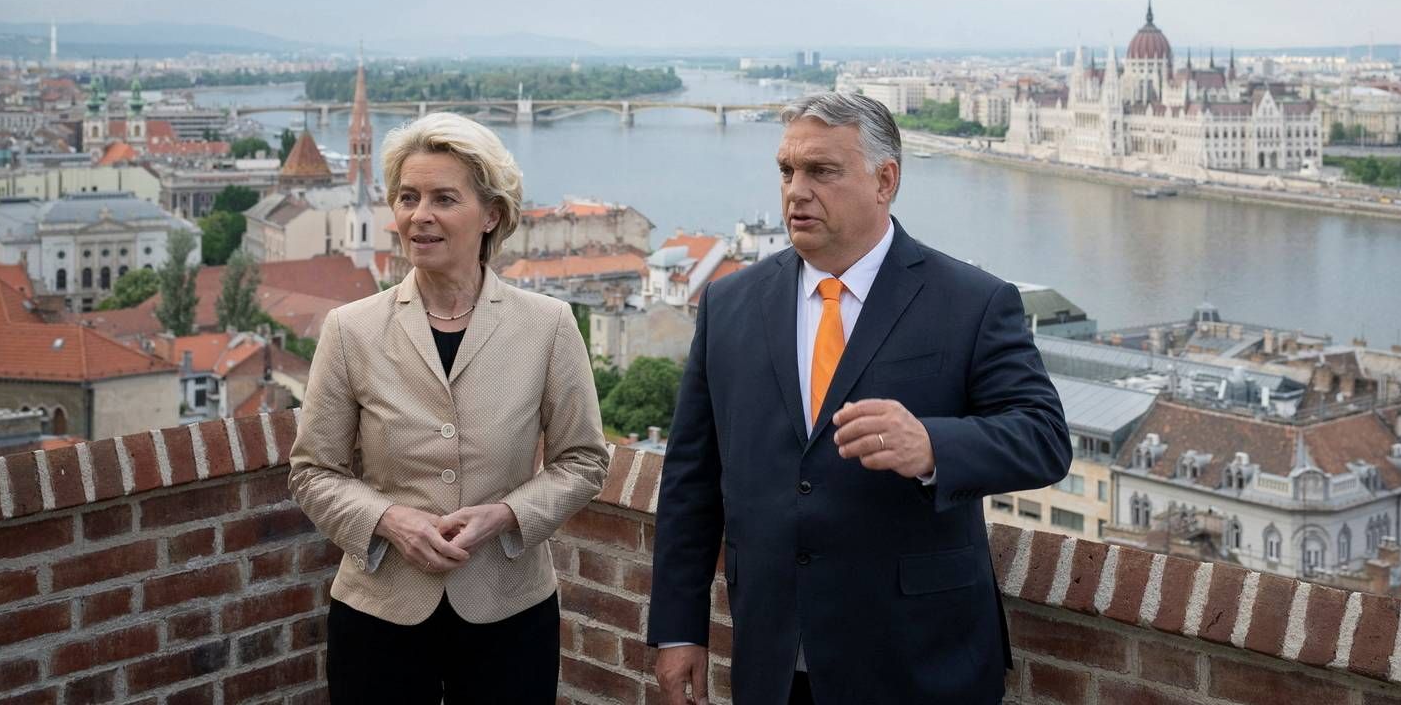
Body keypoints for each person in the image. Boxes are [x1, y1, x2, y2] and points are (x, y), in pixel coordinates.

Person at [649, 91, 1070, 704]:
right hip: (772, 658)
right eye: (787, 170)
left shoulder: (973, 302)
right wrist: (677, 628)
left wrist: (932, 445)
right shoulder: (729, 303)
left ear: (885, 180)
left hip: (919, 659)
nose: (796, 190)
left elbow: (1044, 438)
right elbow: (691, 478)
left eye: (822, 171)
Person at [289, 112, 610, 705]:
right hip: (380, 609)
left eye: (443, 198)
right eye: (408, 198)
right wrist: (389, 521)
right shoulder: (350, 329)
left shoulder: (548, 326)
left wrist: (506, 515)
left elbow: (584, 461)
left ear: (490, 214)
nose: (420, 215)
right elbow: (312, 471)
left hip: (509, 607)